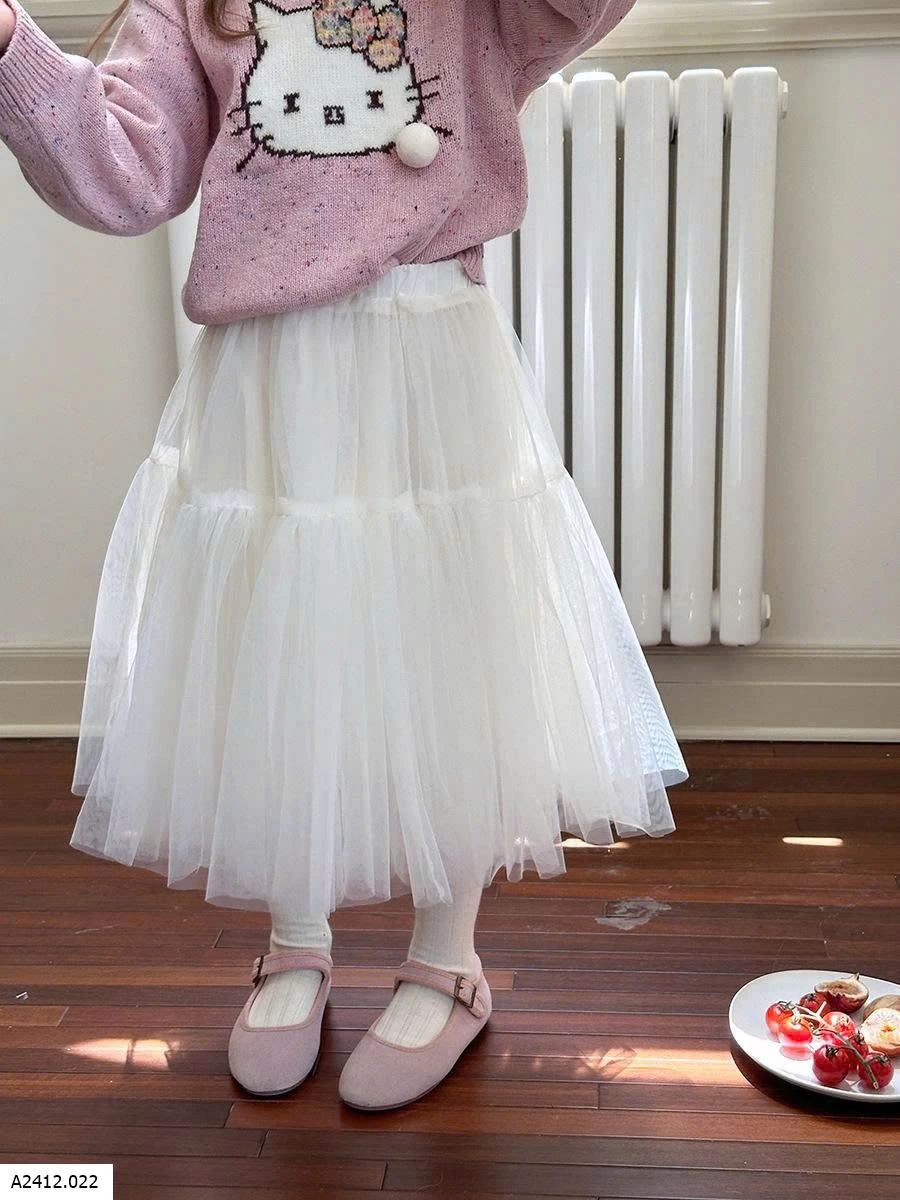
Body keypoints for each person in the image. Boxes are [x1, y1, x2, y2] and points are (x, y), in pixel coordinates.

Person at [0, 0, 688, 1110]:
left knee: (451, 653)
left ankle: (447, 959)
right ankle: (296, 937)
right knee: (279, 652)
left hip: (428, 356)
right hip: (270, 376)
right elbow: (125, 174)